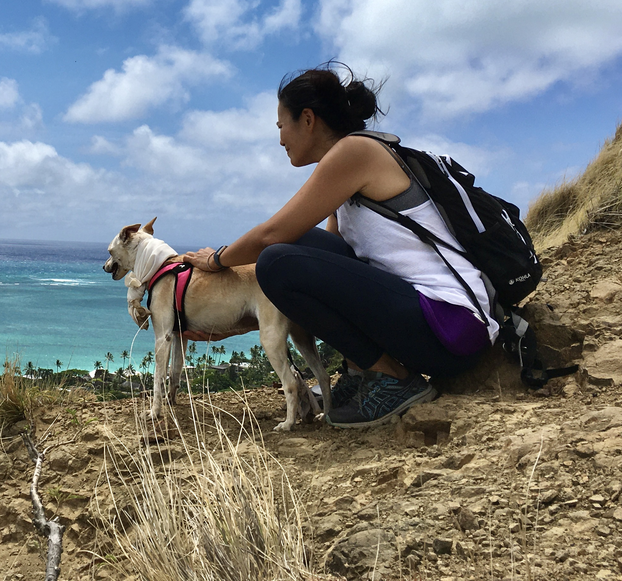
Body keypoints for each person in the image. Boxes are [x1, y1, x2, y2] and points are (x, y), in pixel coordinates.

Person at [178, 64, 495, 428]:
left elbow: (271, 235)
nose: (280, 139)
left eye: (281, 126)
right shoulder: (347, 177)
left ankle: (392, 379)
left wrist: (216, 260)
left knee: (276, 258)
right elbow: (324, 271)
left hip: (452, 328)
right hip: (427, 322)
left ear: (308, 119)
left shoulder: (355, 152)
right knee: (298, 249)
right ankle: (364, 372)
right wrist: (257, 309)